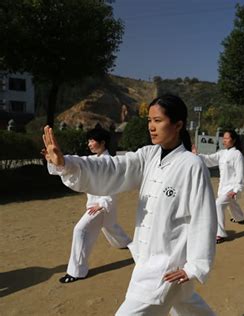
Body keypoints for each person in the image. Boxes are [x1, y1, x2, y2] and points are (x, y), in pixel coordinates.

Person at [43, 94, 217, 315]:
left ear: (178, 124)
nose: (151, 127)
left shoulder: (192, 165)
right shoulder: (148, 156)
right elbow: (113, 168)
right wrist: (67, 164)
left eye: (158, 121)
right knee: (185, 304)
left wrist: (194, 267)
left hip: (167, 267)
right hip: (146, 258)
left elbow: (204, 218)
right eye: (149, 121)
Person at [50, 128, 132, 283]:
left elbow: (113, 186)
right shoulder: (95, 159)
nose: (89, 144)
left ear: (103, 143)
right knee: (110, 226)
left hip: (101, 206)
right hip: (100, 206)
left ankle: (77, 271)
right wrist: (58, 161)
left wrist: (102, 203)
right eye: (88, 141)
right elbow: (79, 163)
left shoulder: (109, 162)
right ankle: (127, 243)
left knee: (80, 229)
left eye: (92, 141)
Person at [193, 130, 244, 244]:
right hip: (223, 187)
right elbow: (210, 159)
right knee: (231, 204)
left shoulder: (237, 154)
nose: (224, 140)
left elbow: (240, 173)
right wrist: (197, 156)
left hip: (232, 188)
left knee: (218, 205)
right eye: (224, 138)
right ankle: (240, 218)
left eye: (227, 138)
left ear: (234, 140)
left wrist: (236, 190)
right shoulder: (222, 153)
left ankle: (220, 233)